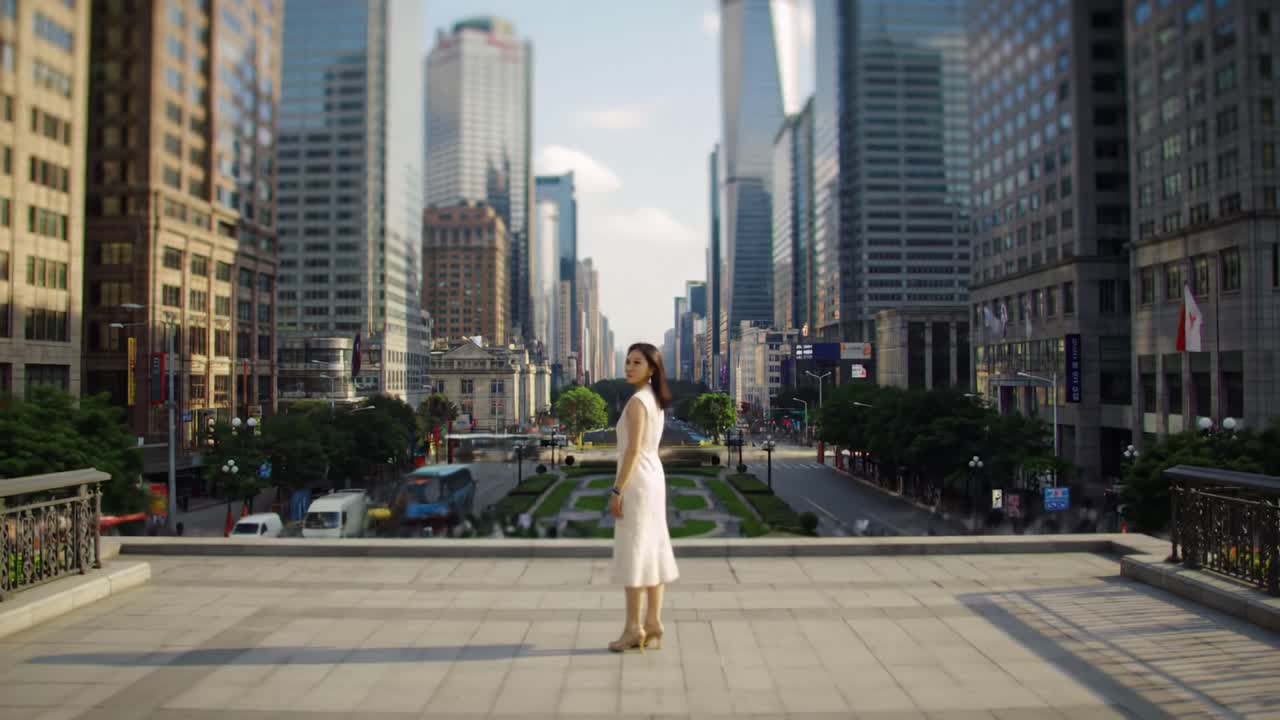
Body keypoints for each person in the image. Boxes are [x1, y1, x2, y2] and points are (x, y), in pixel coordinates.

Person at [607, 342, 679, 653]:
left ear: (651, 368)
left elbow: (633, 450)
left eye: (637, 362)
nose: (629, 366)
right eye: (628, 361)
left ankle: (633, 628)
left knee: (634, 553)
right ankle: (653, 622)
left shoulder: (638, 402)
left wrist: (617, 489)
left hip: (637, 481)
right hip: (654, 476)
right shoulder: (655, 399)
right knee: (652, 549)